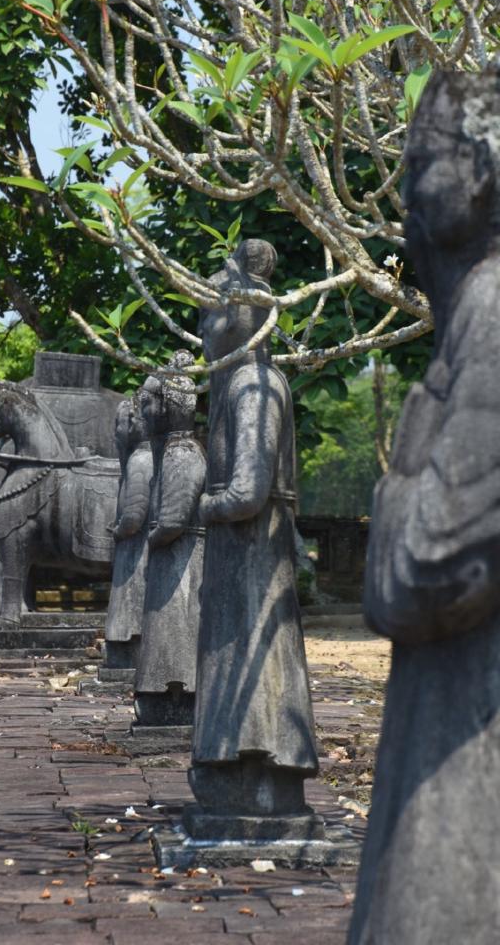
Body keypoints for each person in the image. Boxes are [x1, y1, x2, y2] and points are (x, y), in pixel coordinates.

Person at [349, 67, 500, 944]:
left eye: (420, 162)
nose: (403, 193)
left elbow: (427, 566)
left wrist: (397, 486)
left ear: (479, 174)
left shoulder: (492, 321)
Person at [188, 240, 319, 823]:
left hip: (253, 556)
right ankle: (235, 765)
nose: (206, 321)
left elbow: (247, 493)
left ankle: (257, 769)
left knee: (254, 667)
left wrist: (202, 505)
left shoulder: (254, 387)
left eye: (217, 309)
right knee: (240, 660)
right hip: (241, 558)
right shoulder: (237, 384)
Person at [134, 352, 206, 727]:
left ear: (166, 406)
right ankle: (165, 689)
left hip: (181, 564)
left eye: (147, 404)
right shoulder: (173, 452)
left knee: (175, 631)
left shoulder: (181, 453)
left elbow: (175, 519)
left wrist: (154, 538)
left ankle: (175, 692)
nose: (143, 413)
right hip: (172, 562)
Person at [104, 395, 153, 670]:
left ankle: (129, 653)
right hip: (134, 549)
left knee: (131, 607)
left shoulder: (141, 461)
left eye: (118, 424)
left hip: (137, 550)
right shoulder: (142, 458)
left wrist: (120, 531)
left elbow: (134, 514)